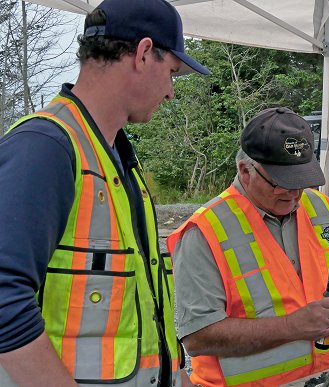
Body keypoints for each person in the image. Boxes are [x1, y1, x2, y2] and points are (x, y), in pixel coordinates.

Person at [0, 0, 209, 385]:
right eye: (173, 74)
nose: (170, 93)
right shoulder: (45, 147)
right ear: (144, 53)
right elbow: (4, 299)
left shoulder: (116, 159)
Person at [166, 107, 329, 386]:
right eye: (280, 183)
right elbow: (198, 336)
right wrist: (292, 327)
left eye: (301, 181)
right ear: (245, 171)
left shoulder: (323, 209)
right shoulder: (204, 232)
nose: (293, 194)